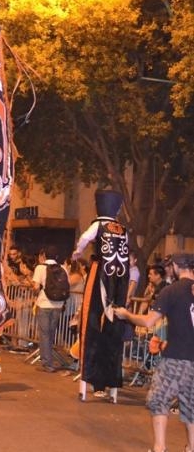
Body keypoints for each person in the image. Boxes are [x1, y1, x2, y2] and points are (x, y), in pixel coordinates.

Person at [114, 253, 194, 452]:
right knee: (190, 404)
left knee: (158, 399)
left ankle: (159, 448)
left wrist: (126, 315)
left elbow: (149, 321)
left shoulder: (171, 291)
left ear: (176, 266)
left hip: (177, 356)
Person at [72, 190, 130, 402]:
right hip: (119, 280)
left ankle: (89, 379)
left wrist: (77, 253)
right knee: (113, 328)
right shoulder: (123, 229)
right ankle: (109, 382)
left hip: (100, 274)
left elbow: (85, 239)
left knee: (91, 324)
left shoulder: (98, 225)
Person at [32, 245, 67, 372]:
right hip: (58, 304)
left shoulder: (40, 268)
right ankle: (49, 360)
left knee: (44, 334)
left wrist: (35, 294)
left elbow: (36, 287)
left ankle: (47, 363)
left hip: (44, 303)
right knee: (51, 334)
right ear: (57, 256)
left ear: (44, 255)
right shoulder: (63, 268)